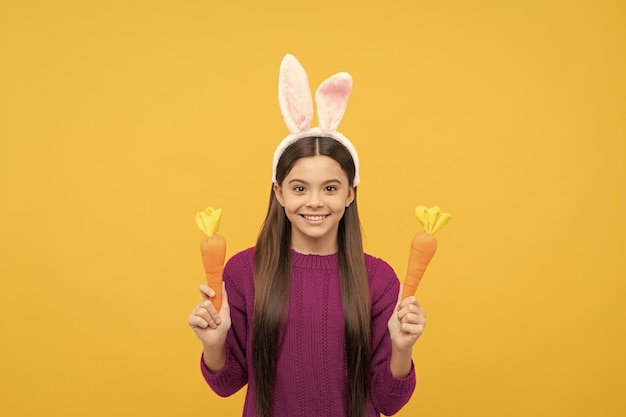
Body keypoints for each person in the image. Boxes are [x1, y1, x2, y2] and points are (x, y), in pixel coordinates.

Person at [188, 54, 427, 417]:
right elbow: (227, 384)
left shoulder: (378, 279)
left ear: (350, 194)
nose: (315, 202)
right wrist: (214, 344)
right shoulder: (243, 272)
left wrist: (402, 348)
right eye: (299, 189)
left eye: (330, 188)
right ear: (279, 193)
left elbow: (388, 402)